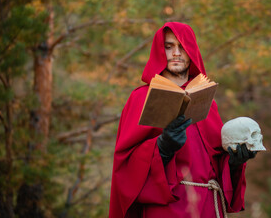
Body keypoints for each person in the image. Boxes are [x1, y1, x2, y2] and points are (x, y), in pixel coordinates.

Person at [109, 22, 256, 218]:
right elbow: (125, 165)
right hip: (166, 209)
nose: (176, 53)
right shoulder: (141, 98)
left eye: (182, 47)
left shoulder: (207, 102)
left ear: (192, 52)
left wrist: (236, 162)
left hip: (207, 208)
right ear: (159, 52)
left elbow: (216, 164)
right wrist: (162, 147)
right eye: (169, 47)